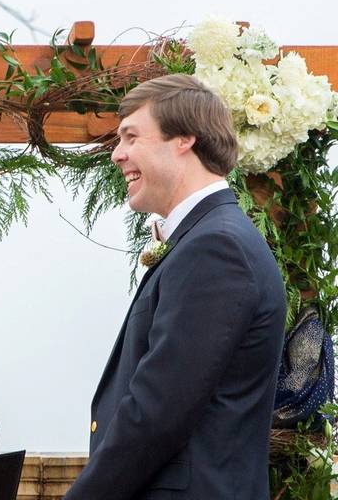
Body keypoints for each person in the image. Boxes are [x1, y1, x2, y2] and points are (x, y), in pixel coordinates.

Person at [63, 75, 286, 500]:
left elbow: (158, 411)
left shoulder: (216, 248)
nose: (117, 154)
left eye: (131, 137)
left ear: (184, 139)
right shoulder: (205, 238)